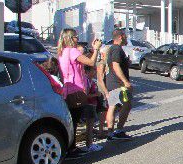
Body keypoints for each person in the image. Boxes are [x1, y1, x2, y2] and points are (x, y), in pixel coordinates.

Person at [57, 28, 102, 156]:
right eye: (76, 36)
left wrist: (92, 50)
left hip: (67, 89)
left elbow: (82, 60)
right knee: (75, 120)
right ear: (71, 38)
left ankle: (71, 147)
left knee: (72, 119)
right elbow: (91, 62)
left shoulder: (62, 52)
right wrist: (97, 49)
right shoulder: (72, 51)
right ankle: (71, 149)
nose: (78, 39)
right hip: (76, 90)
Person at [105, 29, 133, 141]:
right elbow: (115, 66)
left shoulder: (112, 48)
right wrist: (125, 82)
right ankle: (118, 131)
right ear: (121, 37)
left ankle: (110, 133)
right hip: (119, 84)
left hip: (113, 84)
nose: (126, 38)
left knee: (113, 106)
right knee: (127, 104)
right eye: (125, 36)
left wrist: (127, 63)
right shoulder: (116, 48)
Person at [83, 65, 102, 152]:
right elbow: (85, 95)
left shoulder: (91, 80)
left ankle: (90, 144)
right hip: (89, 106)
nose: (94, 72)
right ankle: (89, 145)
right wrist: (96, 94)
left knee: (91, 126)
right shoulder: (86, 81)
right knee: (89, 127)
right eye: (93, 70)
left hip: (92, 105)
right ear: (87, 71)